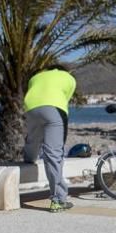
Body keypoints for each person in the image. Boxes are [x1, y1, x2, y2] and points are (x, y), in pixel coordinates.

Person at [23, 65, 76, 212]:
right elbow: (64, 102)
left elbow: (34, 93)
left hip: (30, 107)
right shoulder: (69, 78)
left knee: (33, 136)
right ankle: (58, 200)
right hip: (54, 107)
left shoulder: (36, 77)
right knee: (53, 153)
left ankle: (29, 158)